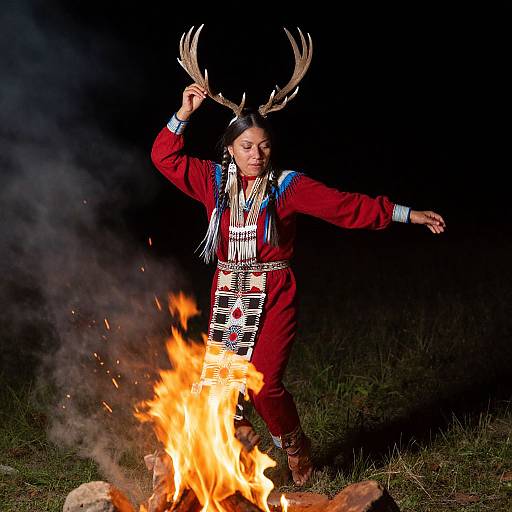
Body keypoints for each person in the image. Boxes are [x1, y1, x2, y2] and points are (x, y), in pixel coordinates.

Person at [150, 27, 446, 487]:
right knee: (221, 388)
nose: (257, 155)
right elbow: (164, 158)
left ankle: (294, 444)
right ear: (230, 148)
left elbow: (346, 207)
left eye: (264, 146)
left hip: (274, 292)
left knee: (265, 384)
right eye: (247, 147)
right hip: (230, 292)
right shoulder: (212, 182)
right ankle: (232, 458)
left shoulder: (287, 187)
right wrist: (183, 114)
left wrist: (408, 214)